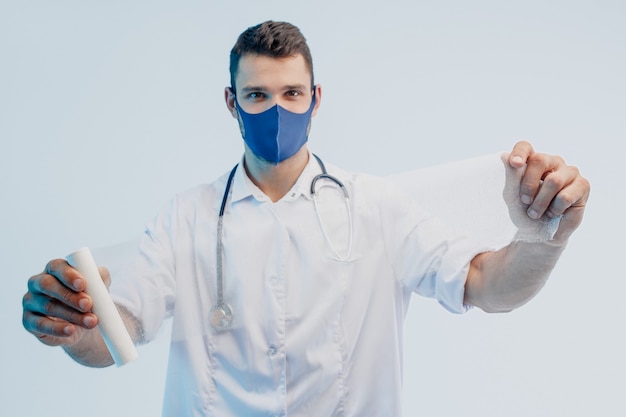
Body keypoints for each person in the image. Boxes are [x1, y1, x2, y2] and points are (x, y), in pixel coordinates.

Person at [22, 21, 590, 416]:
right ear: (230, 101)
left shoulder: (376, 207)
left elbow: (488, 287)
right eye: (257, 95)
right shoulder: (186, 217)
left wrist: (544, 237)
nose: (277, 111)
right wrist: (74, 328)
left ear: (316, 98)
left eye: (292, 93)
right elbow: (121, 330)